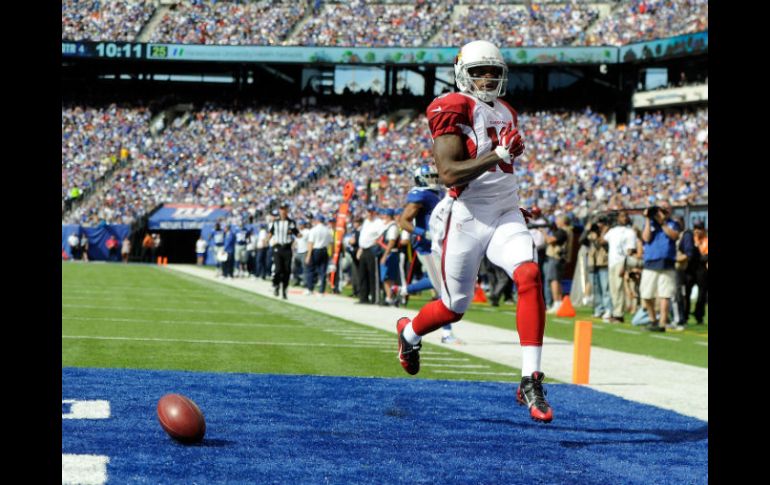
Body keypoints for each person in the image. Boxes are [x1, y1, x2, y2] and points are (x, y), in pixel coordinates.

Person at [395, 40, 552, 422]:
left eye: (493, 72)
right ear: (463, 72)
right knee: (454, 307)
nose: (487, 78)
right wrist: (496, 155)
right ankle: (409, 334)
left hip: (504, 212)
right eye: (480, 71)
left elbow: (501, 171)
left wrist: (514, 201)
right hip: (465, 216)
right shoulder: (451, 106)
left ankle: (530, 379)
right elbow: (449, 173)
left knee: (529, 275)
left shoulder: (508, 111)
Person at [394, 164, 461, 343]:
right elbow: (404, 221)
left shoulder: (435, 193)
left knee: (439, 283)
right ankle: (445, 333)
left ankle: (403, 290)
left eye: (434, 176)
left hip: (439, 244)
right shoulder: (420, 194)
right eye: (430, 177)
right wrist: (423, 233)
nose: (434, 180)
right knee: (442, 288)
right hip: (427, 246)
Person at [640, 202, 681, 332]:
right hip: (650, 262)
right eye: (660, 208)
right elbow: (646, 238)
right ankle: (653, 320)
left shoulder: (673, 223)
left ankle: (662, 323)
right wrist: (648, 218)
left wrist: (663, 223)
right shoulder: (650, 223)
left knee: (665, 294)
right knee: (646, 294)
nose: (662, 211)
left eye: (665, 208)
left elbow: (674, 236)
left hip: (667, 262)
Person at [603, 212, 637, 323]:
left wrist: (625, 265)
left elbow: (630, 250)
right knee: (613, 289)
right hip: (611, 261)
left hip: (621, 261)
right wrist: (606, 225)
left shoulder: (629, 232)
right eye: (622, 216)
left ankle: (619, 314)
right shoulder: (612, 231)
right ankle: (615, 311)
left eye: (625, 216)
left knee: (618, 288)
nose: (624, 218)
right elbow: (602, 239)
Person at [581, 216, 611, 320]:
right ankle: (599, 309)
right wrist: (587, 229)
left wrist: (602, 233)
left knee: (605, 289)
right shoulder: (592, 234)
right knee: (596, 289)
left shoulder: (608, 234)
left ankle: (608, 310)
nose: (598, 225)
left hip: (604, 263)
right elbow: (581, 240)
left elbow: (601, 244)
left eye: (600, 223)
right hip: (593, 263)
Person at [269, 203, 301, 299]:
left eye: (284, 209)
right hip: (278, 247)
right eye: (281, 209)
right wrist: (267, 240)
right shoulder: (276, 222)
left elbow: (296, 233)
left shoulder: (291, 222)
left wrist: (300, 236)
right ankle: (276, 285)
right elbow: (271, 232)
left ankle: (284, 290)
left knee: (286, 270)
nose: (283, 211)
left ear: (287, 211)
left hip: (287, 248)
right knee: (278, 269)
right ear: (279, 210)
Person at [357, 205, 384, 304]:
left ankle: (374, 298)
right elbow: (363, 235)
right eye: (368, 211)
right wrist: (360, 248)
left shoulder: (378, 222)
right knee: (363, 275)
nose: (369, 213)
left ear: (374, 212)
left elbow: (381, 236)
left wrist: (375, 244)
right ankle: (363, 297)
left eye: (371, 211)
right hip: (363, 249)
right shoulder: (366, 221)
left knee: (373, 275)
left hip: (372, 249)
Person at [543, 215, 569, 314]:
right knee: (556, 280)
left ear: (563, 221)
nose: (556, 221)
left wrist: (544, 233)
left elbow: (550, 240)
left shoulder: (562, 231)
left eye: (558, 219)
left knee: (554, 281)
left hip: (555, 258)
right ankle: (557, 302)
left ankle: (556, 302)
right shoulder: (562, 231)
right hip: (557, 258)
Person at [305, 214, 333, 296]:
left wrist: (308, 255)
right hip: (324, 251)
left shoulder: (314, 230)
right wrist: (331, 254)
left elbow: (311, 243)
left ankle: (310, 288)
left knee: (310, 270)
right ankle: (321, 291)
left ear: (317, 220)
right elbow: (331, 243)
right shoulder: (327, 230)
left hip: (315, 250)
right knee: (323, 271)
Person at [377, 208, 401, 305]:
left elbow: (391, 242)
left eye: (384, 215)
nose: (383, 217)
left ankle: (390, 297)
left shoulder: (392, 227)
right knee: (386, 278)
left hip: (391, 253)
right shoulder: (388, 226)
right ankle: (389, 297)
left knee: (388, 277)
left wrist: (385, 255)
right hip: (388, 253)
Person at [691, 221, 708, 324]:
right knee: (685, 292)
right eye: (695, 228)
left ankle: (699, 316)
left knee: (702, 294)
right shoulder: (691, 238)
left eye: (699, 228)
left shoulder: (706, 240)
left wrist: (697, 246)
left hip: (702, 270)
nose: (697, 230)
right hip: (690, 269)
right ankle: (683, 315)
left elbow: (704, 256)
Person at [293, 219, 310, 286]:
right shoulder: (298, 231)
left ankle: (305, 282)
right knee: (294, 268)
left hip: (305, 251)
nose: (299, 225)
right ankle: (296, 280)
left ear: (304, 225)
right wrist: (293, 245)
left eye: (300, 224)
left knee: (305, 268)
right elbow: (296, 240)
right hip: (298, 251)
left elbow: (310, 241)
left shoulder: (307, 231)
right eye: (299, 224)